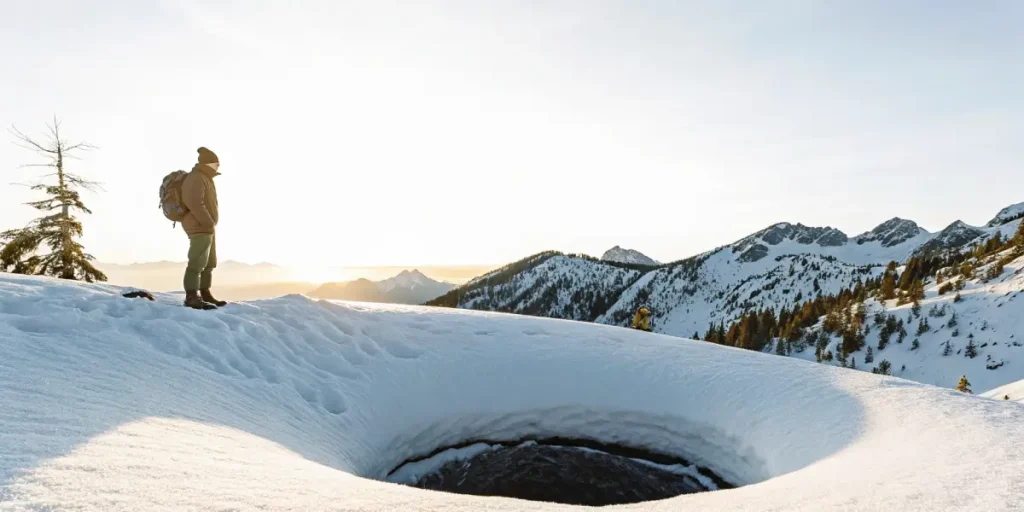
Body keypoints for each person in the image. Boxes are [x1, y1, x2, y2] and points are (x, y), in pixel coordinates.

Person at [181, 147, 226, 310]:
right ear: (209, 163)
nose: (218, 167)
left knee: (209, 262)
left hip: (207, 226)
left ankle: (205, 293)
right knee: (197, 261)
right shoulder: (196, 178)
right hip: (199, 226)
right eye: (216, 164)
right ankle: (191, 296)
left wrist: (210, 224)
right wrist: (207, 222)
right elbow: (194, 202)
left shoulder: (205, 178)